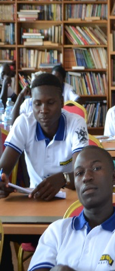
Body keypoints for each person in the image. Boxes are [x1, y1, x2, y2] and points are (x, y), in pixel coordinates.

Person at [0, 73, 89, 270]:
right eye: (37, 103)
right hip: (34, 206)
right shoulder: (24, 123)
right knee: (1, 231)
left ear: (62, 102)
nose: (43, 110)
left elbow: (83, 174)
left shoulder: (76, 124)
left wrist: (65, 178)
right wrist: (1, 180)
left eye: (50, 103)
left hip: (71, 209)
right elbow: (2, 169)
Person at [28, 146, 115, 271]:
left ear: (114, 177)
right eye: (79, 173)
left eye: (96, 168)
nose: (86, 177)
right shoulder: (56, 231)